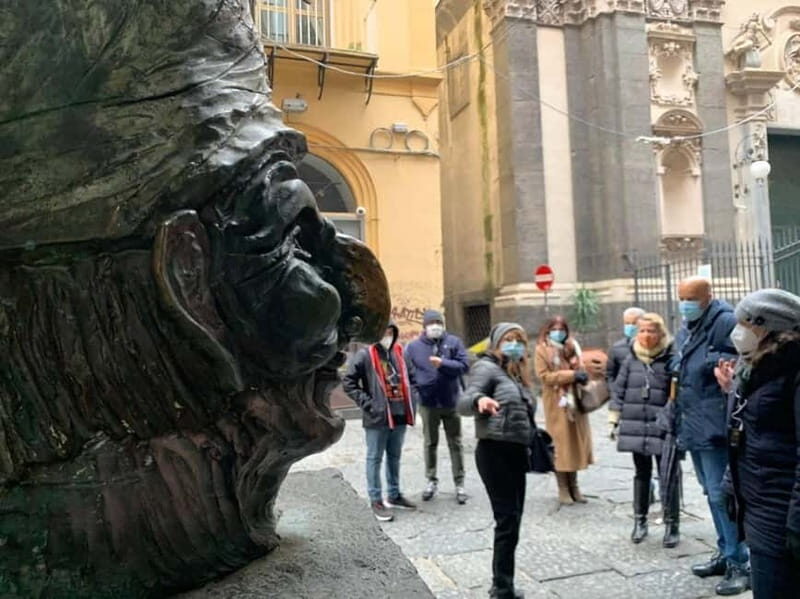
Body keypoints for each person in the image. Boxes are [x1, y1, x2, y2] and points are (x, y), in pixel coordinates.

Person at [716, 289, 800, 599]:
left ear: (768, 327)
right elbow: (743, 428)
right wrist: (730, 484)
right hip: (757, 503)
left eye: (745, 324)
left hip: (782, 509)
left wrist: (797, 520)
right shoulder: (750, 366)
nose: (738, 331)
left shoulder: (791, 369)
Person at [673, 276, 749, 595]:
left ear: (708, 296)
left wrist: (705, 363)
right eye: (682, 298)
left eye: (691, 298)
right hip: (694, 420)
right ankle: (725, 551)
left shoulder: (725, 320)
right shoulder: (689, 325)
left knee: (722, 494)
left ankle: (739, 563)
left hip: (715, 422)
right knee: (709, 492)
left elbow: (737, 360)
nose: (685, 304)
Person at [458, 322, 534, 599]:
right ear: (497, 342)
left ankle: (504, 584)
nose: (514, 344)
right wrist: (480, 399)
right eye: (509, 339)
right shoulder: (486, 368)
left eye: (519, 340)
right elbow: (462, 403)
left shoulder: (514, 372)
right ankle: (501, 589)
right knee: (506, 520)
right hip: (494, 451)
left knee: (513, 521)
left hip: (515, 452)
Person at [609, 313, 679, 547]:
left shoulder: (670, 357)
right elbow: (619, 389)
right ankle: (640, 521)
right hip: (636, 423)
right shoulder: (631, 358)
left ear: (660, 333)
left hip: (662, 425)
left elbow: (678, 391)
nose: (646, 335)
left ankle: (672, 524)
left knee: (668, 474)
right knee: (641, 474)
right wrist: (614, 419)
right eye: (642, 331)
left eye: (651, 331)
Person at [343, 322, 417, 522]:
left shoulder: (401, 353)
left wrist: (413, 398)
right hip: (378, 418)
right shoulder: (365, 355)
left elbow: (412, 378)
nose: (388, 335)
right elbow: (348, 382)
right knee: (374, 458)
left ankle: (394, 494)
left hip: (400, 415)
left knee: (394, 457)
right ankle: (376, 500)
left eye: (391, 332)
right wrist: (369, 404)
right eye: (384, 331)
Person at [405, 310, 470, 504]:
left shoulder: (454, 342)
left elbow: (464, 366)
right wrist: (417, 390)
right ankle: (431, 480)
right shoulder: (414, 347)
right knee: (430, 443)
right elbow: (408, 371)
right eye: (431, 323)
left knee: (455, 443)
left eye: (438, 322)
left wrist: (443, 363)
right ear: (424, 326)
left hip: (451, 401)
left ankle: (459, 483)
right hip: (428, 403)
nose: (435, 326)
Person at [533, 316, 593, 505]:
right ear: (547, 330)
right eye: (554, 328)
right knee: (560, 444)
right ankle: (563, 487)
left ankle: (574, 485)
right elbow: (544, 376)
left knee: (574, 443)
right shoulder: (542, 350)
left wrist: (582, 374)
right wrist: (571, 375)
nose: (559, 332)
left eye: (562, 329)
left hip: (575, 400)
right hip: (556, 401)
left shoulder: (572, 347)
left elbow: (583, 367)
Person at [607, 306, 646, 386]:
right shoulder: (616, 348)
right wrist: (615, 394)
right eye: (627, 323)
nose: (630, 327)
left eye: (634, 323)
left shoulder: (654, 347)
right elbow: (610, 375)